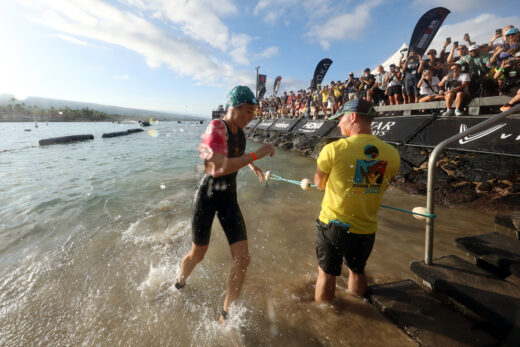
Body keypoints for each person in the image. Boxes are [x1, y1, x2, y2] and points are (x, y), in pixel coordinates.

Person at [176, 86, 275, 322]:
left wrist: (252, 165)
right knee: (198, 253)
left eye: (254, 112)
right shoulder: (216, 127)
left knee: (243, 259)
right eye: (249, 111)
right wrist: (255, 157)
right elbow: (217, 168)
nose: (252, 117)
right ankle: (179, 281)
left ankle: (226, 314)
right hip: (208, 196)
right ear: (234, 107)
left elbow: (236, 153)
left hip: (229, 198)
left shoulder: (241, 132)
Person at [313, 99, 400, 302]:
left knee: (326, 273)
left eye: (340, 118)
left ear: (352, 117)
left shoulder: (334, 149)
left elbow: (319, 183)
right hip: (366, 227)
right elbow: (383, 186)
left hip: (333, 226)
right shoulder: (392, 154)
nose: (338, 124)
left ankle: (325, 317)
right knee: (357, 270)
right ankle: (358, 304)